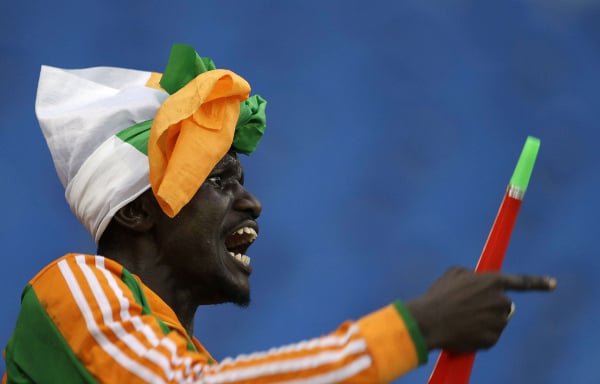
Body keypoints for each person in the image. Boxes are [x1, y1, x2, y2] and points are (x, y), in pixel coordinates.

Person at [2, 44, 556, 383]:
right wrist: (421, 326)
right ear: (138, 212)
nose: (252, 202)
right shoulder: (75, 290)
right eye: (220, 180)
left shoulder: (187, 356)